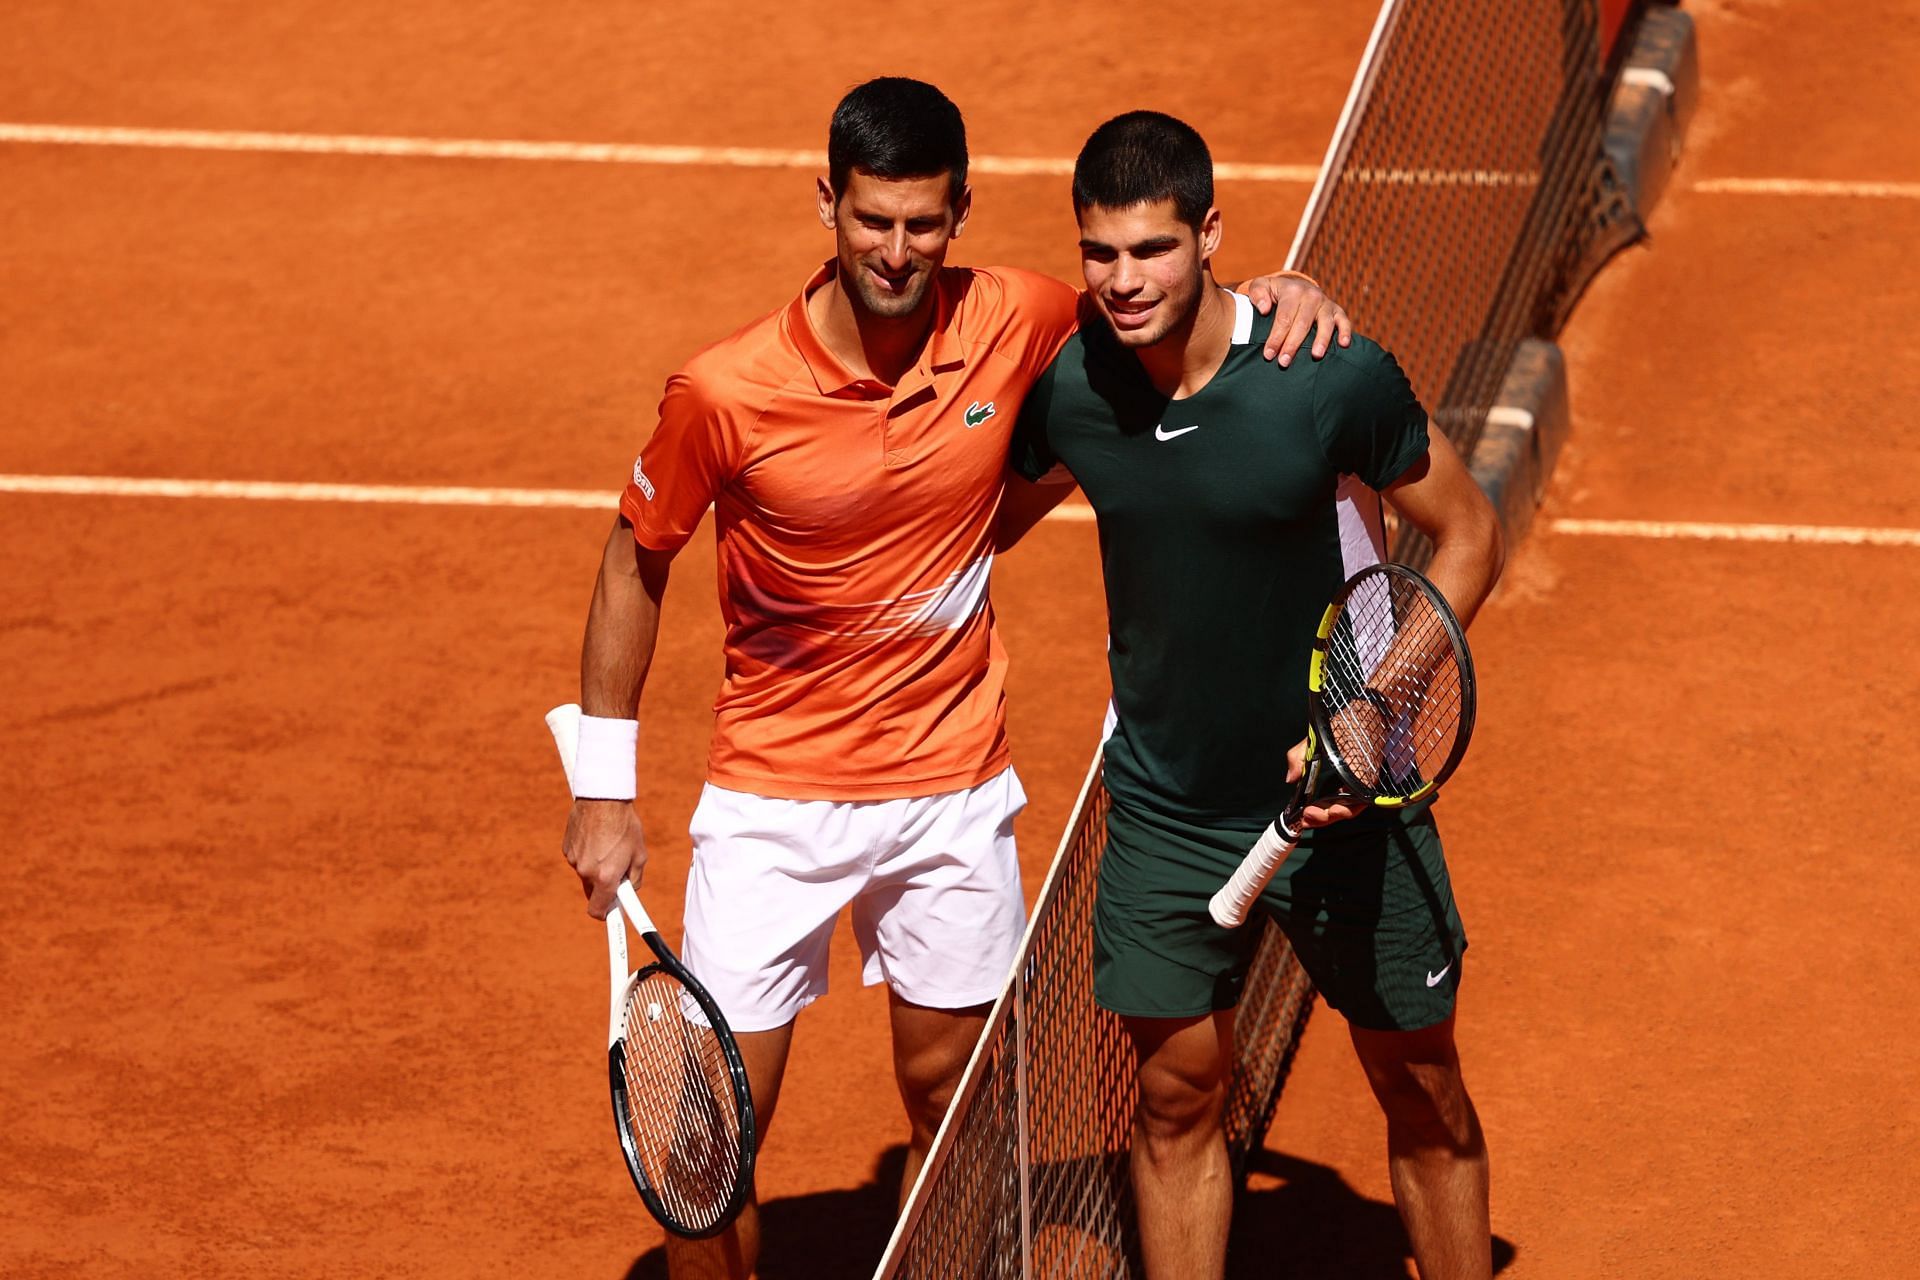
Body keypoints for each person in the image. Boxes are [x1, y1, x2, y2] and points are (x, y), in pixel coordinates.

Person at [558, 79, 1351, 1279]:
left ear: (961, 212)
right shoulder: (723, 393)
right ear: (828, 202)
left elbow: (1165, 312)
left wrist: (1279, 297)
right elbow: (635, 561)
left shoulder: (1018, 315)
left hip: (949, 792)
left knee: (956, 1112)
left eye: (924, 224)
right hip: (773, 801)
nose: (896, 250)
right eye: (872, 220)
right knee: (708, 1141)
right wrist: (604, 792)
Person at [1001, 111, 1504, 1280]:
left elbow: (1469, 534)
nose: (1124, 281)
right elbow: (978, 524)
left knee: (1420, 1088)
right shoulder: (1076, 390)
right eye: (1101, 254)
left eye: (1153, 250)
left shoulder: (1325, 378)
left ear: (1211, 233)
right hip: (1168, 812)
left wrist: (1363, 711)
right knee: (1175, 1107)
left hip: (1354, 809)